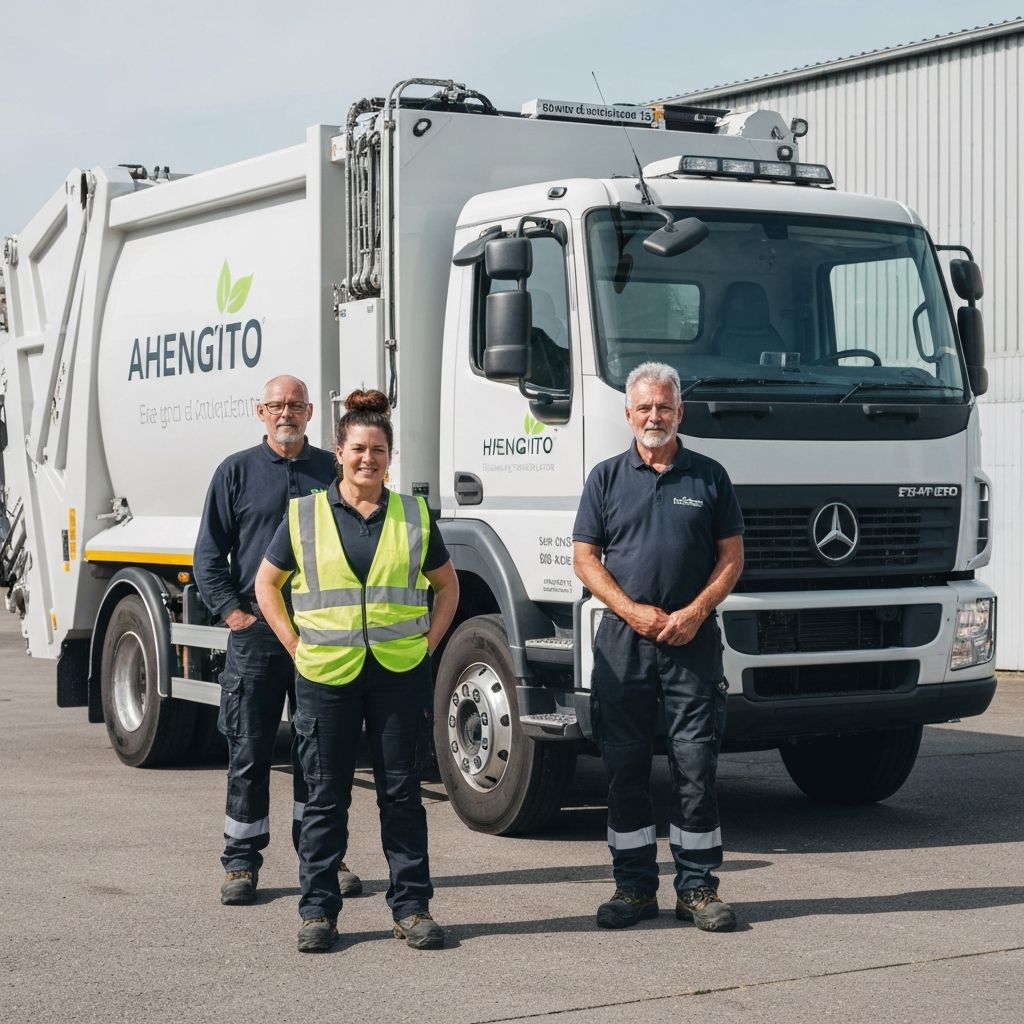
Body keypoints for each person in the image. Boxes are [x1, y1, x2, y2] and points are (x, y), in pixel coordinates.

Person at [255, 389, 459, 954]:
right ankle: (318, 912)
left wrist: (428, 645)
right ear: (339, 453)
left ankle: (412, 909)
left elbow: (447, 587)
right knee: (325, 799)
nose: (368, 459)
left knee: (402, 796)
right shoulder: (305, 515)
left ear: (390, 457)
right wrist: (294, 644)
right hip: (325, 676)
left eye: (378, 450)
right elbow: (266, 583)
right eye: (358, 449)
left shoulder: (413, 515)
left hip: (399, 674)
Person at [572, 361, 745, 932]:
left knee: (695, 766)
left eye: (664, 406)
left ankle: (697, 888)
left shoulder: (710, 477)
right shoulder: (605, 479)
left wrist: (696, 612)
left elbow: (732, 558)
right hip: (624, 643)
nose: (654, 416)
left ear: (680, 412)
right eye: (644, 407)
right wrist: (631, 611)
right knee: (624, 767)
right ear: (628, 413)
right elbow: (585, 559)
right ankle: (633, 888)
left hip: (691, 642)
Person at [194, 374, 363, 906]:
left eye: (294, 405)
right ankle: (241, 863)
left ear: (310, 412)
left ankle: (324, 859)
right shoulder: (236, 472)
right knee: (249, 748)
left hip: (320, 634)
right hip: (258, 636)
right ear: (260, 411)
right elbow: (208, 555)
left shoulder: (331, 471)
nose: (285, 413)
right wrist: (234, 614)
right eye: (276, 405)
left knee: (320, 755)